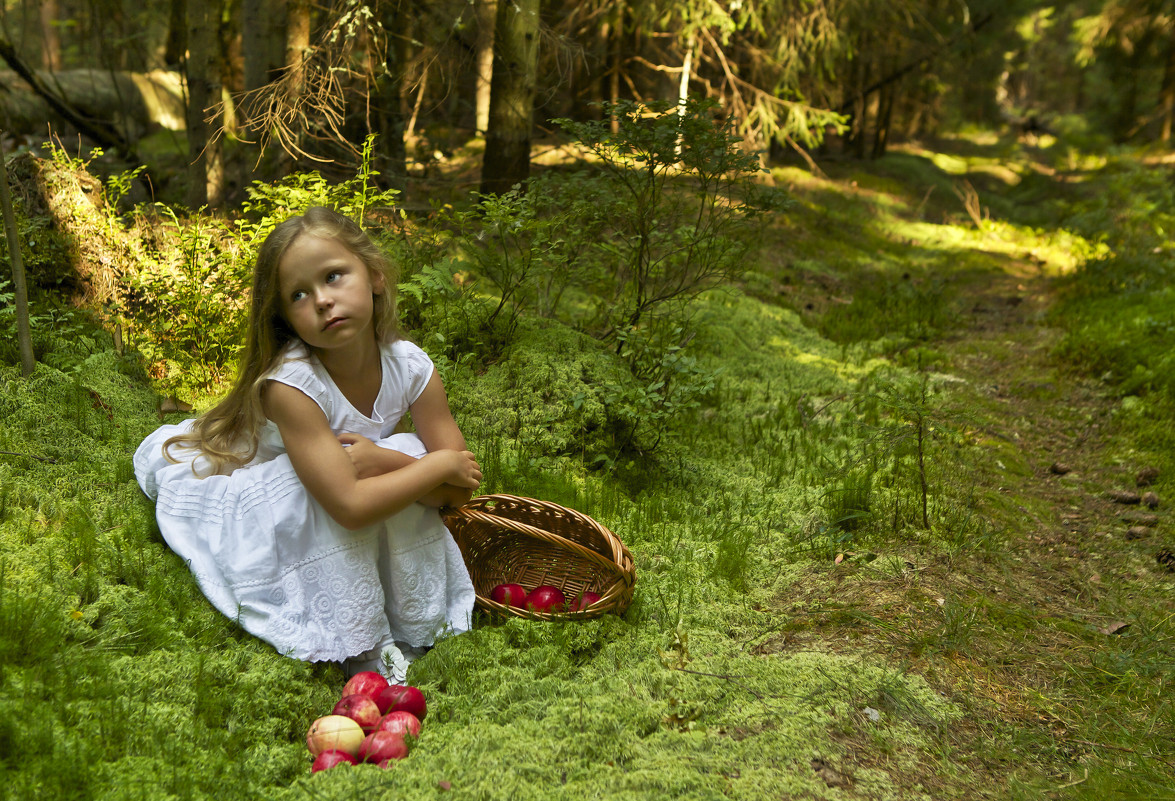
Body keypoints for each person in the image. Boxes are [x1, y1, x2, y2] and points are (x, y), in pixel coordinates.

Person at [133, 206, 481, 683]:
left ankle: (413, 617)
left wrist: (388, 458)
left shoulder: (411, 366)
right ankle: (360, 638)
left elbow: (462, 489)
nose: (322, 300)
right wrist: (436, 464)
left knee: (404, 456)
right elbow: (351, 507)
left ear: (375, 276)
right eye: (300, 294)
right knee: (389, 468)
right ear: (286, 318)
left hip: (345, 476)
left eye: (334, 276)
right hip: (282, 495)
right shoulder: (292, 386)